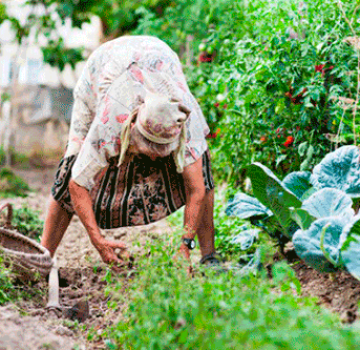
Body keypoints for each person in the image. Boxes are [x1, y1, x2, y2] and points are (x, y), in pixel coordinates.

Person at [40, 35, 219, 271]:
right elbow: (77, 184)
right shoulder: (111, 119)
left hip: (158, 58)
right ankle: (41, 259)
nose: (155, 160)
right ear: (132, 129)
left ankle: (209, 257)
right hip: (102, 70)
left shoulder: (185, 120)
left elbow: (196, 188)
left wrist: (185, 246)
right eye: (149, 151)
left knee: (202, 171)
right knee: (69, 169)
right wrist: (98, 241)